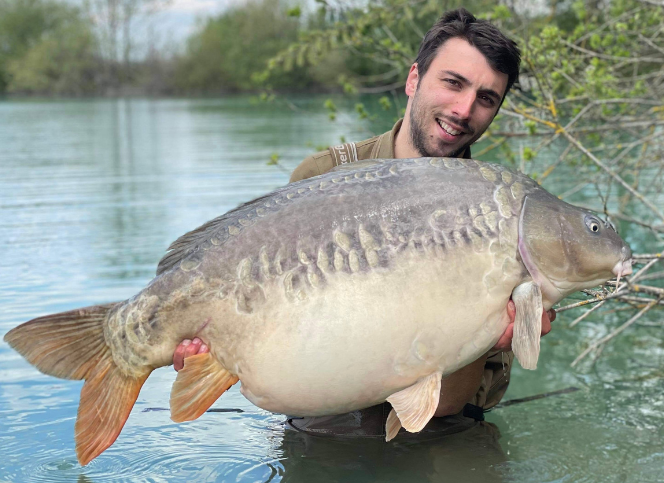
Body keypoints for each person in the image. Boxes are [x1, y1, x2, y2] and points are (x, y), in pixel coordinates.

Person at [172, 8, 555, 437]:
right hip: (326, 429)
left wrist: (491, 332)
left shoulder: (504, 222)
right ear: (414, 80)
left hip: (443, 433)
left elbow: (449, 404)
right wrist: (208, 350)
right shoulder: (323, 177)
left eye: (486, 98)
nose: (464, 109)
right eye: (453, 83)